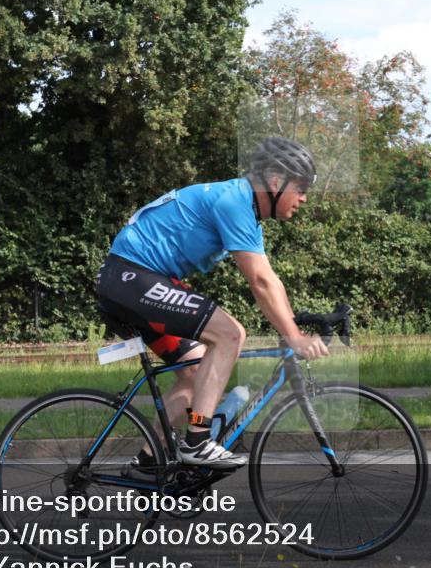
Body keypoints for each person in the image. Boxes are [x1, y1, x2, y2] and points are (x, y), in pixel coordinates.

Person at [94, 137, 329, 471]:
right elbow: (259, 283)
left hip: (136, 279)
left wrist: (293, 324)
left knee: (195, 369)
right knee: (230, 334)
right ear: (276, 181)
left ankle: (148, 461)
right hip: (132, 276)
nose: (304, 198)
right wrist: (293, 336)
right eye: (301, 187)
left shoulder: (245, 211)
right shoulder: (234, 201)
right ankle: (198, 442)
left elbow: (269, 279)